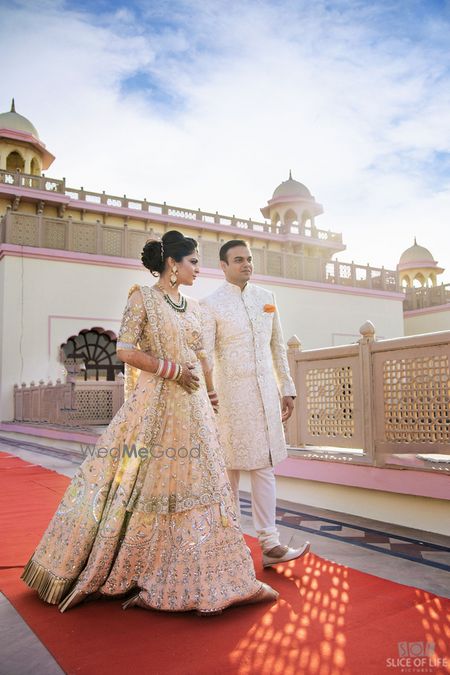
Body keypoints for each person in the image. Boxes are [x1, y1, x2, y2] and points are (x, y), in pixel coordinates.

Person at [21, 230, 278, 615]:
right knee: (142, 484)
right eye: (193, 262)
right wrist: (170, 369)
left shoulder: (193, 307)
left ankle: (211, 574)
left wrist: (210, 393)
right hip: (156, 407)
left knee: (202, 485)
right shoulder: (143, 298)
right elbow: (124, 350)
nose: (198, 269)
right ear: (173, 264)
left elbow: (202, 356)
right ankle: (143, 566)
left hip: (194, 410)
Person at [200, 240, 310, 567]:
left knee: (264, 467)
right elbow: (205, 354)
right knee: (229, 471)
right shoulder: (211, 304)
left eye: (249, 259)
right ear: (223, 266)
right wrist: (207, 396)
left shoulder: (267, 300)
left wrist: (286, 388)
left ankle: (270, 544)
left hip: (264, 398)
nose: (246, 264)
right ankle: (231, 545)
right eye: (238, 260)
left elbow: (277, 349)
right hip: (228, 400)